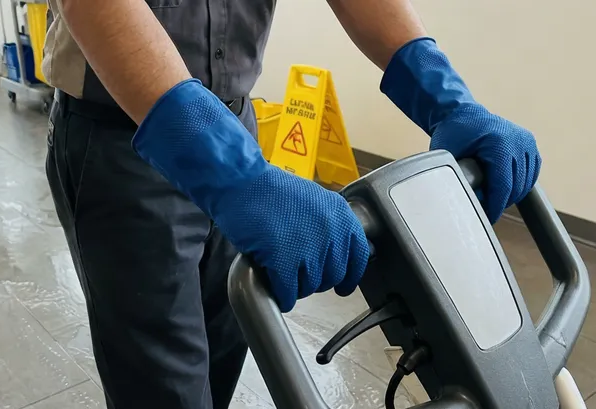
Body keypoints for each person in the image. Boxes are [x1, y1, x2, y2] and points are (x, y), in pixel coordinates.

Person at [41, 0, 542, 408]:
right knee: (161, 384)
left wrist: (442, 92)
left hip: (235, 123)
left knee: (222, 349)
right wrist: (233, 172)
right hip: (121, 139)